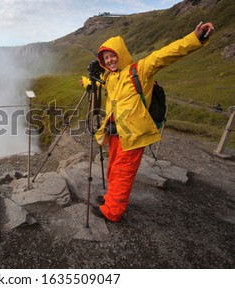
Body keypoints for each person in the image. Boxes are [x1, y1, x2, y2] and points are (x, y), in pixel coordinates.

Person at [81, 21, 215, 222]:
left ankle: (113, 212)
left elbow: (167, 54)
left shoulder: (140, 70)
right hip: (116, 130)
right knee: (113, 168)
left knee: (123, 172)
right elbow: (104, 88)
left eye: (112, 55)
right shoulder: (111, 77)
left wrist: (195, 38)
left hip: (133, 133)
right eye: (106, 58)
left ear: (121, 53)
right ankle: (110, 198)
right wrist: (86, 81)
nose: (109, 60)